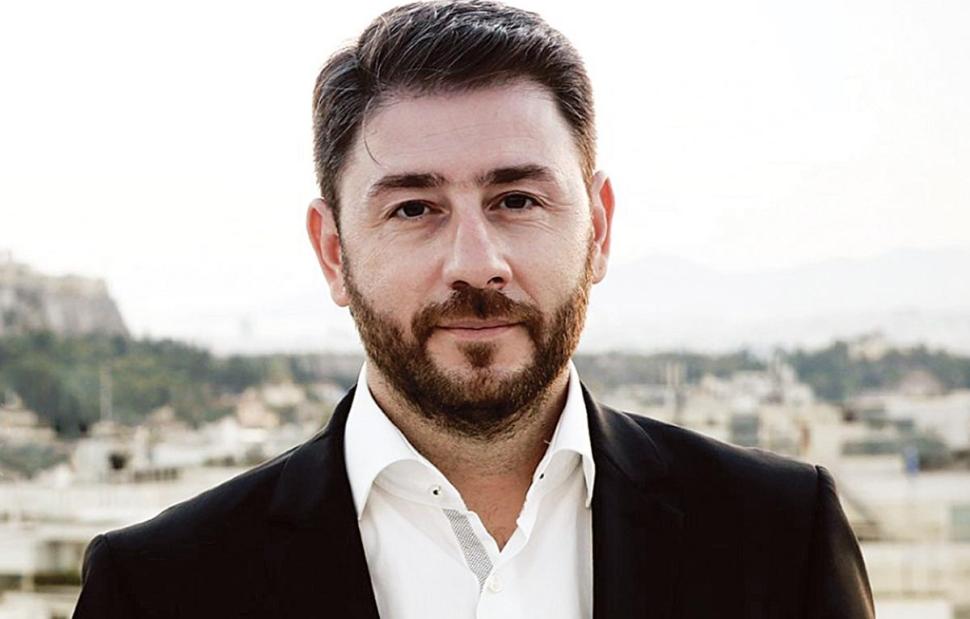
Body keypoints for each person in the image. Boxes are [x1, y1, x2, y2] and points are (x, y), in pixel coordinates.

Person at [74, 1, 874, 617]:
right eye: (414, 208)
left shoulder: (780, 534)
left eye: (516, 198)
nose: (474, 262)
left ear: (598, 230)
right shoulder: (158, 589)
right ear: (333, 251)